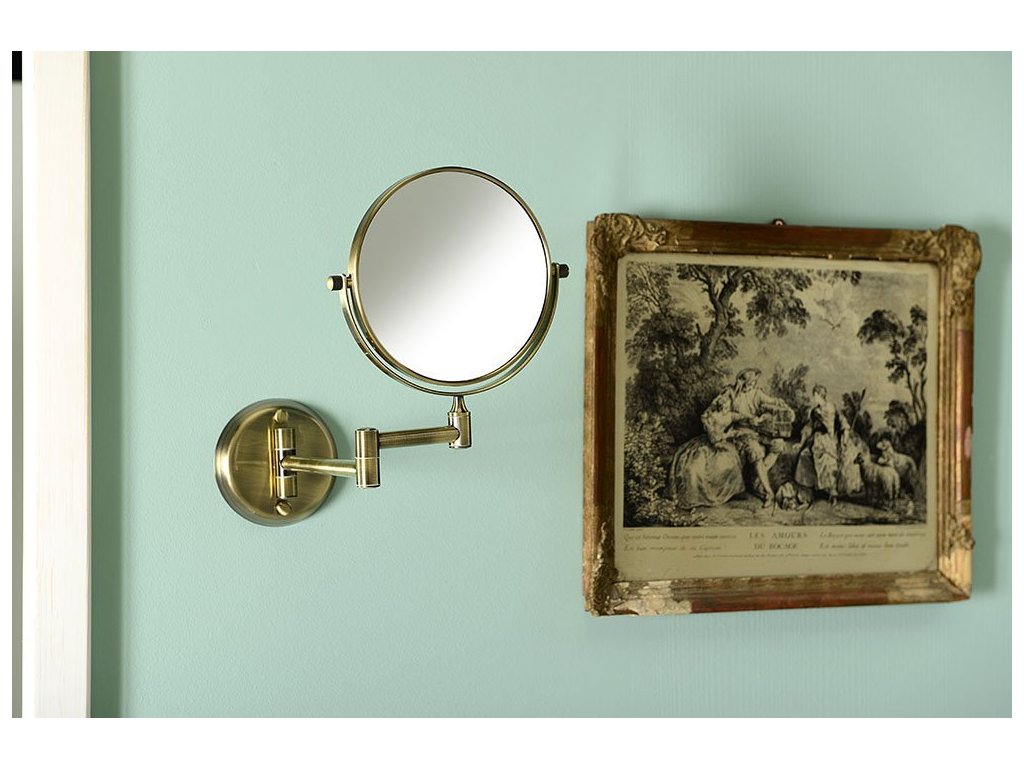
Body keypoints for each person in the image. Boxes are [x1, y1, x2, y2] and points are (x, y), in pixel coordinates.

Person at [707, 368, 794, 508]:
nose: (752, 385)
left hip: (758, 430)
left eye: (754, 383)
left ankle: (756, 478)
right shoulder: (731, 393)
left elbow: (773, 401)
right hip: (741, 432)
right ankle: (769, 493)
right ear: (742, 381)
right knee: (756, 451)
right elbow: (716, 407)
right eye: (750, 383)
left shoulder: (757, 393)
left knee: (778, 444)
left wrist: (786, 408)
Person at [794, 384, 859, 503]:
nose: (814, 398)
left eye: (815, 395)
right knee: (804, 456)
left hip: (832, 440)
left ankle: (833, 492)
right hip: (818, 440)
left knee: (831, 461)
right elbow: (809, 428)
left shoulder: (832, 407)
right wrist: (801, 442)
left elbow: (843, 423)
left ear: (819, 395)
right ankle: (811, 488)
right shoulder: (814, 411)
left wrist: (844, 439)